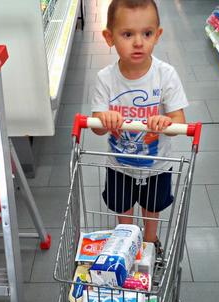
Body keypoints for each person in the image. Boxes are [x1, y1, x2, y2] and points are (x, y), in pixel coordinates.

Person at [91, 0, 189, 253]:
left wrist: (166, 122)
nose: (138, 42)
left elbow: (180, 121)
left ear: (158, 35)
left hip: (157, 165)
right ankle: (125, 240)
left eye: (146, 33)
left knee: (152, 205)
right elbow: (96, 127)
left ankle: (150, 240)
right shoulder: (105, 78)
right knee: (122, 205)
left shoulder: (165, 75)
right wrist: (104, 119)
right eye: (127, 34)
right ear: (109, 37)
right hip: (119, 164)